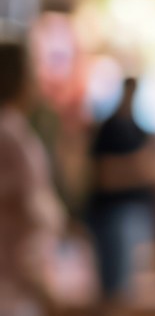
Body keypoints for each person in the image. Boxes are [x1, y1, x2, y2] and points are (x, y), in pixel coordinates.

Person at [88, 77, 155, 305]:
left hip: (136, 214)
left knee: (132, 289)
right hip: (117, 215)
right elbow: (105, 175)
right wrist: (141, 167)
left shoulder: (137, 129)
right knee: (118, 290)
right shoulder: (111, 128)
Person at [0, 38, 64, 316]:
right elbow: (32, 211)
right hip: (14, 287)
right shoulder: (9, 134)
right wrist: (41, 282)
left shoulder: (14, 128)